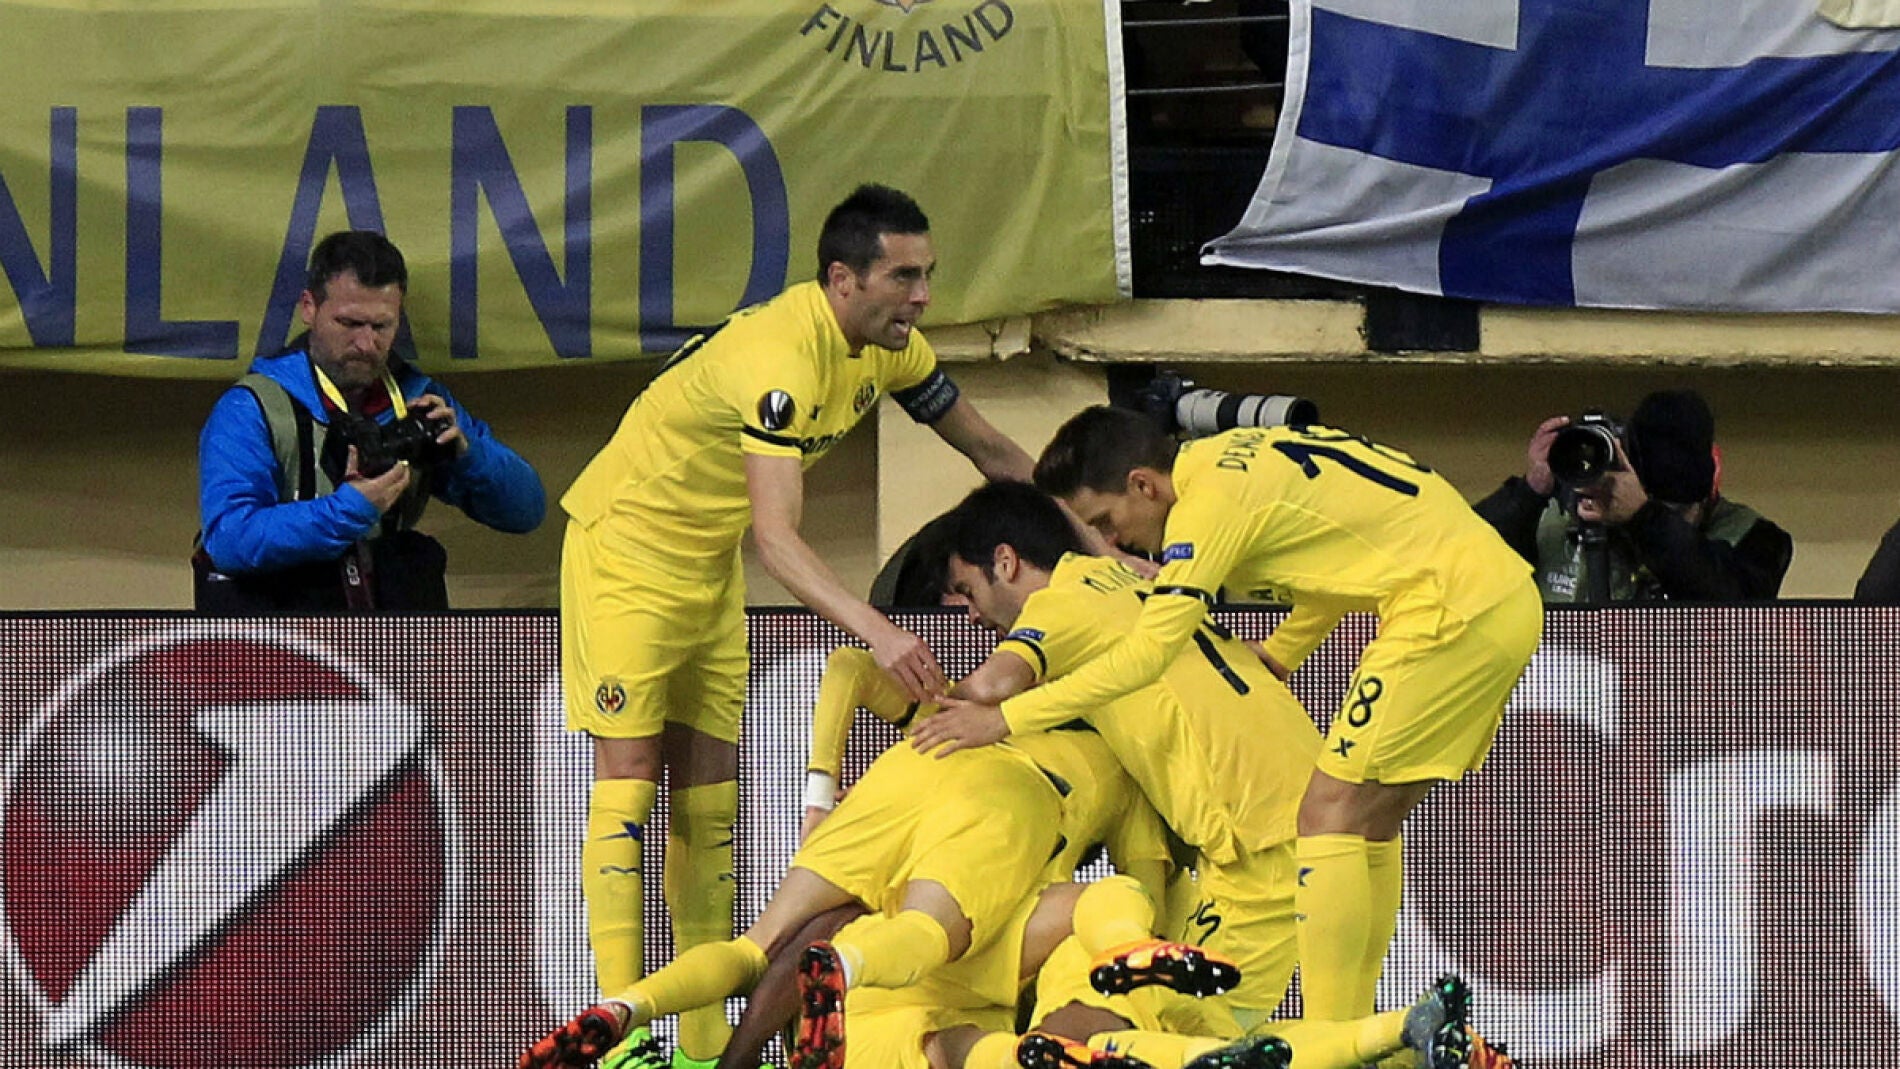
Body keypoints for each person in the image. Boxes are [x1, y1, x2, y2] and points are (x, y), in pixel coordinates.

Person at [556, 184, 1041, 1069]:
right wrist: (879, 631)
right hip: (626, 551)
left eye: (928, 274)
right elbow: (779, 539)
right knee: (630, 778)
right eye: (904, 276)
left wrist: (1096, 551)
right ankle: (615, 1040)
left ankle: (702, 1046)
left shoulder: (892, 350)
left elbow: (996, 455)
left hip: (707, 568)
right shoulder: (785, 357)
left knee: (708, 795)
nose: (923, 295)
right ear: (843, 278)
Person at [919, 407, 1543, 1036]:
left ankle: (1340, 1037)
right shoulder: (1234, 461)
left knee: (1327, 816)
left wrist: (989, 718)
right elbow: (1338, 560)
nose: (1114, 542)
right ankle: (1368, 1032)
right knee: (1367, 823)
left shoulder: (1188, 519)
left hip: (1445, 613)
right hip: (1492, 596)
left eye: (1108, 522)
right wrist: (1281, 650)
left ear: (1144, 484)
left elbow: (1135, 656)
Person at [195, 230, 545, 612]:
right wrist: (347, 511)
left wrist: (470, 456)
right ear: (309, 308)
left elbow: (526, 512)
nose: (366, 344)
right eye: (349, 323)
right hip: (285, 644)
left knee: (411, 557)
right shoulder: (252, 408)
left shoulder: (417, 399)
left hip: (388, 639)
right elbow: (229, 541)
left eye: (381, 327)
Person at [1472, 388, 1793, 603]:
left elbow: (1733, 604)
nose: (1677, 518)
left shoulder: (1756, 538)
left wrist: (1643, 518)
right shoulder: (1553, 519)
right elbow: (1461, 563)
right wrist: (1530, 491)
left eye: (1678, 512)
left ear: (1709, 495)